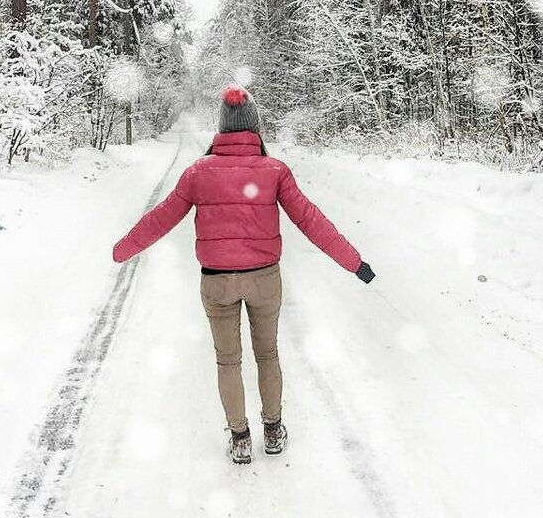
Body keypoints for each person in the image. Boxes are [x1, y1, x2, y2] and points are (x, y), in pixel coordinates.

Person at [112, 86, 375, 464]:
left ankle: (239, 436)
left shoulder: (198, 173)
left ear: (222, 126)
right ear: (255, 126)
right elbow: (311, 221)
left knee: (227, 361)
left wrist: (123, 249)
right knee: (267, 354)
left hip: (217, 280)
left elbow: (162, 218)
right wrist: (356, 264)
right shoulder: (274, 171)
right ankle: (272, 430)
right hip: (264, 279)